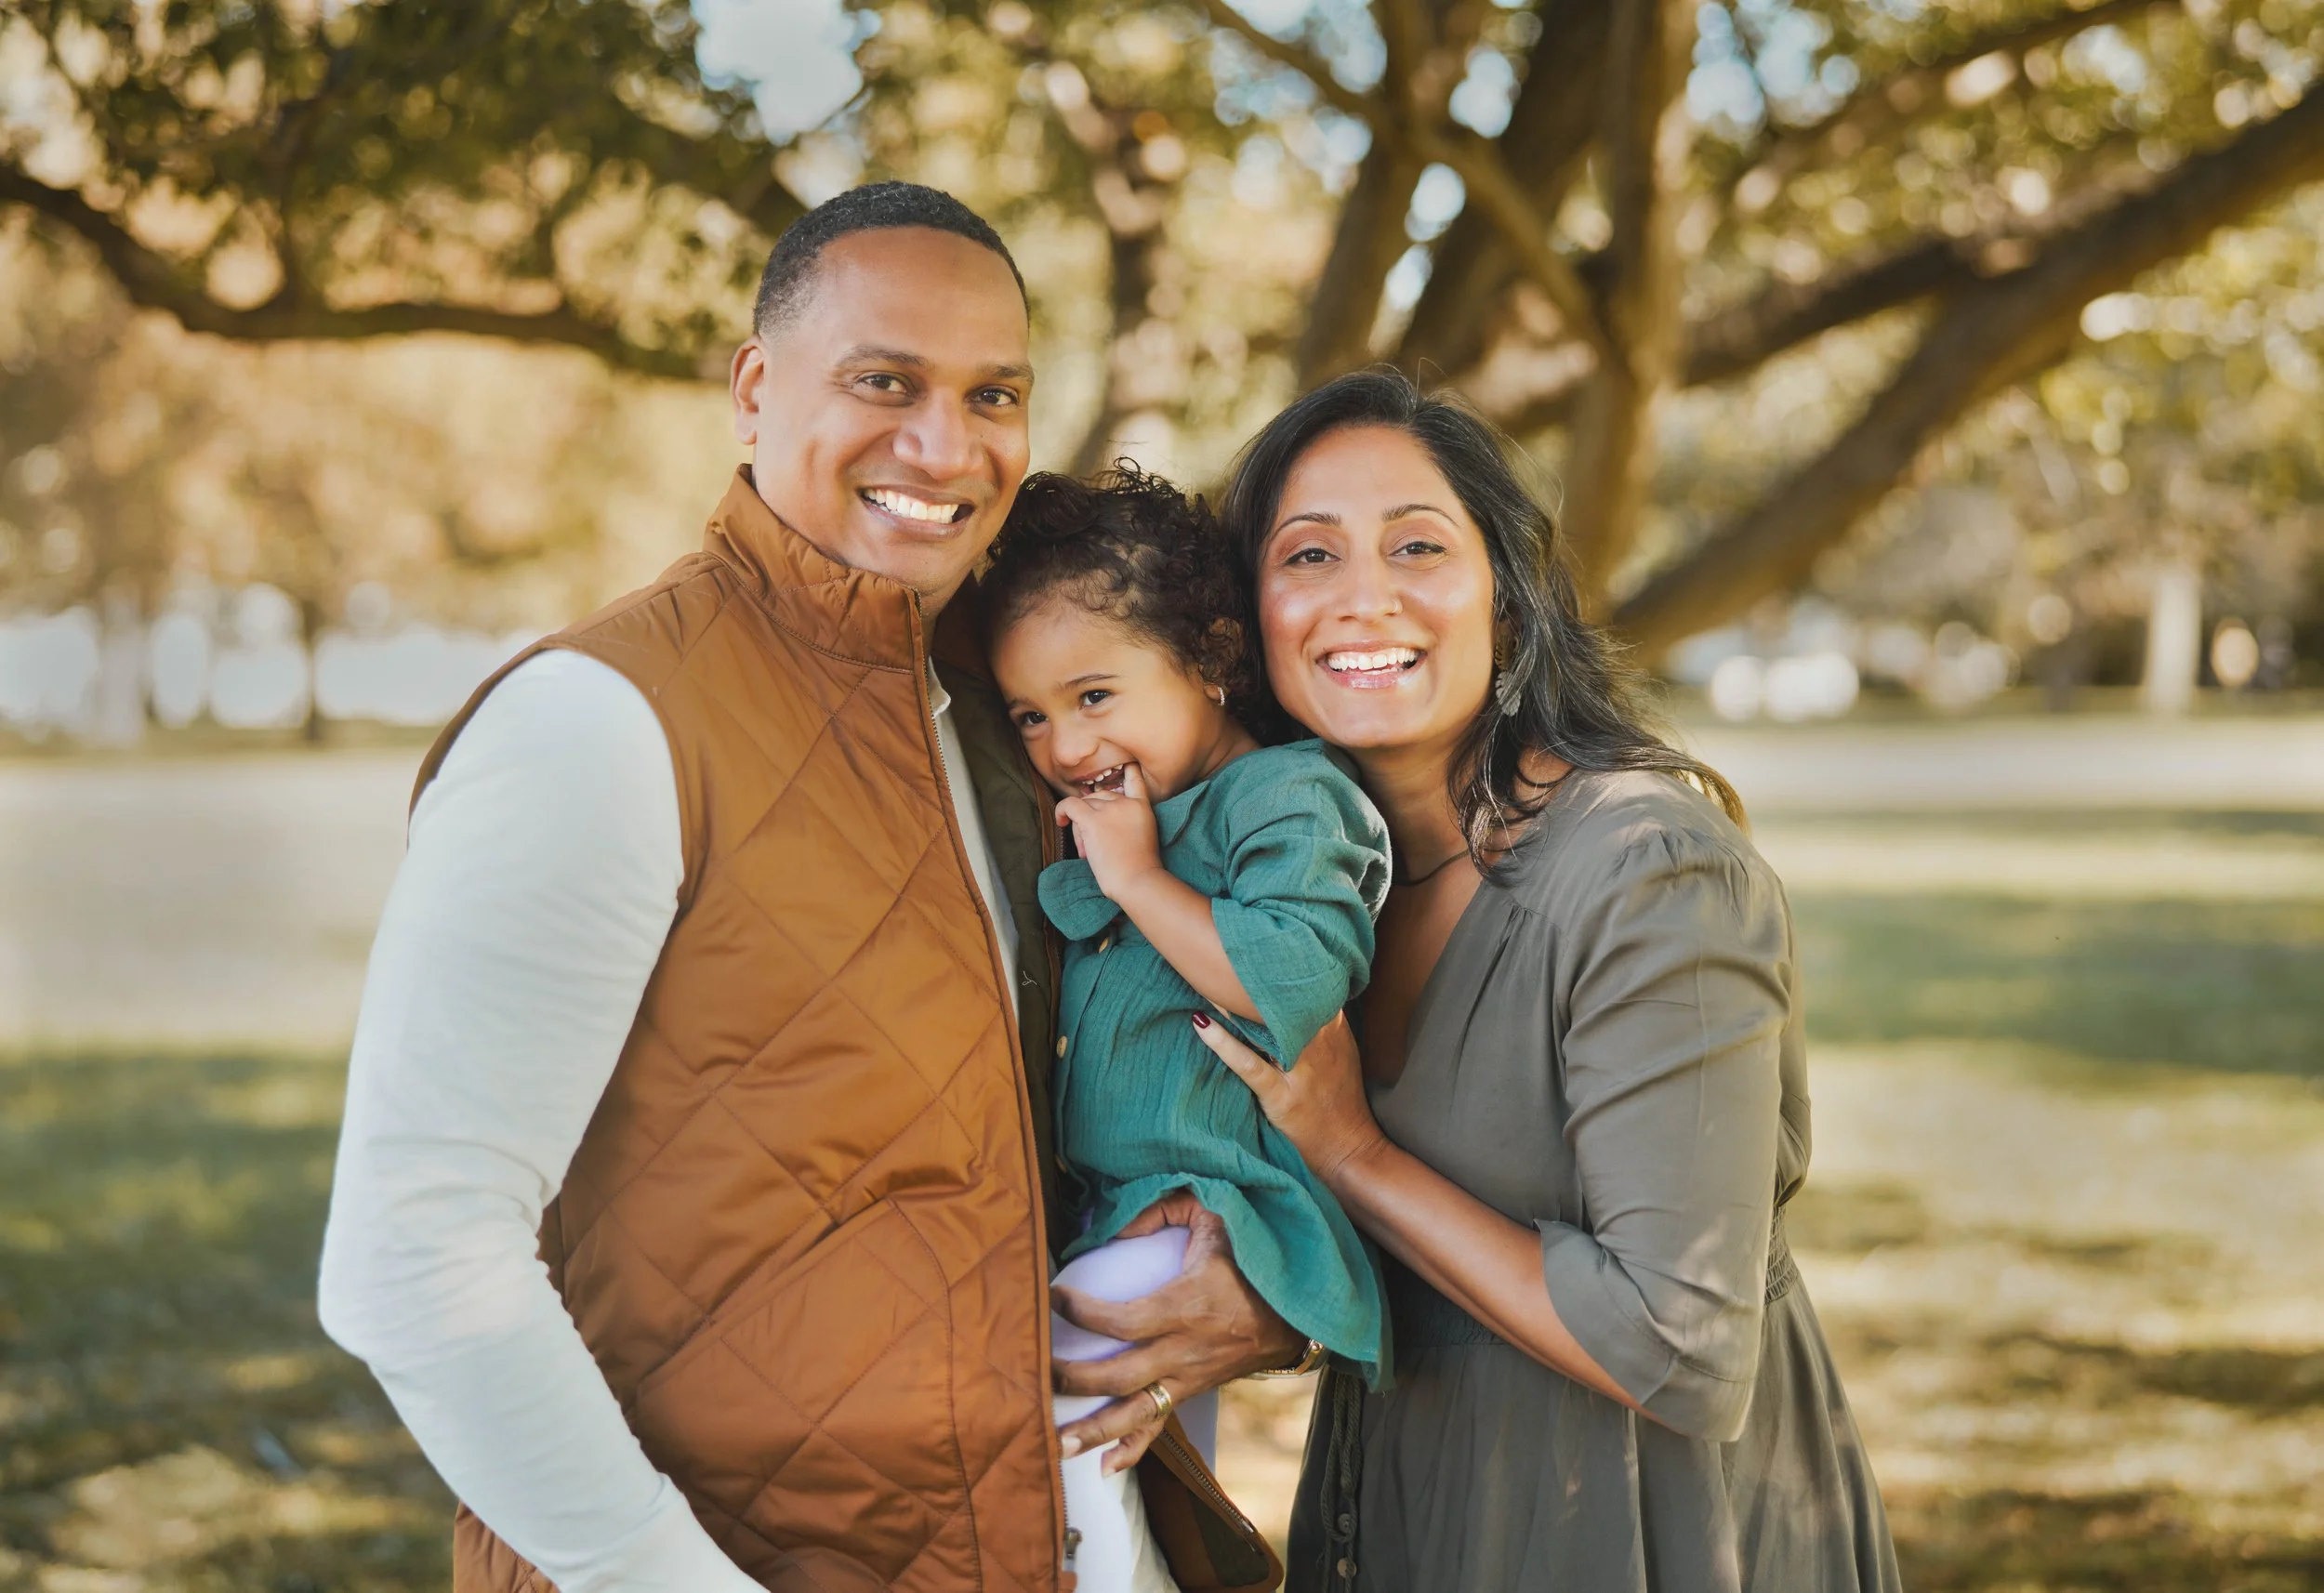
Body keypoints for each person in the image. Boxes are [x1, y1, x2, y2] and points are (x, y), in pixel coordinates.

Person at [316, 183, 1301, 1593]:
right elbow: (412, 1260)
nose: (945, 444)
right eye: (884, 381)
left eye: (994, 392)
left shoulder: (1024, 710)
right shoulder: (597, 720)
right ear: (756, 389)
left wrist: (1272, 1295)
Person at [1191, 370, 1904, 1592]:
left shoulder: (1651, 873)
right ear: (1251, 619)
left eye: (1417, 544)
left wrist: (1356, 1154)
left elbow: (1675, 1339)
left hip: (1646, 1524)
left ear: (1508, 607)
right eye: (1307, 555)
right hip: (1416, 1501)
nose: (1363, 596)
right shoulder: (1312, 894)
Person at [984, 469, 1392, 1591]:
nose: (1064, 743)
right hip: (1124, 1207)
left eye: (1094, 695)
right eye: (1031, 713)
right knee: (1150, 1460)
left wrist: (1139, 875)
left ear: (1210, 660)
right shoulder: (1131, 817)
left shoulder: (1287, 796)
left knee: (1063, 1418)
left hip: (1217, 1198)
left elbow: (1290, 977)